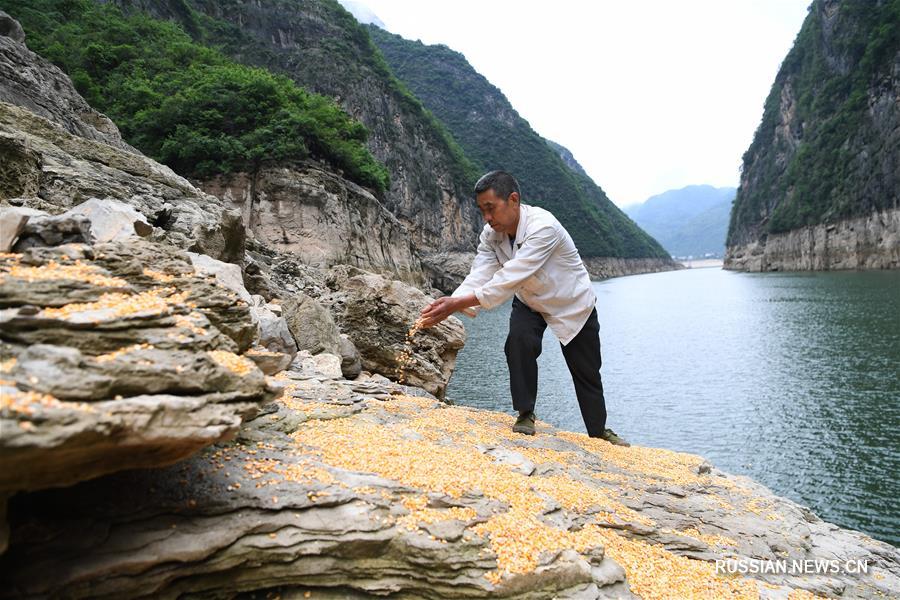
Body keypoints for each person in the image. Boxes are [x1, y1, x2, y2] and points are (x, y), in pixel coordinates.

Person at [419, 170, 629, 446]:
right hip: (529, 298)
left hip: (570, 302)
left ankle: (599, 432)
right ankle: (525, 413)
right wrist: (449, 304)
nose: (487, 218)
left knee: (586, 371)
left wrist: (456, 304)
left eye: (491, 209)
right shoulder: (491, 235)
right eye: (482, 211)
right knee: (518, 343)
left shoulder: (543, 228)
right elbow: (480, 273)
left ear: (513, 200)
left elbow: (510, 277)